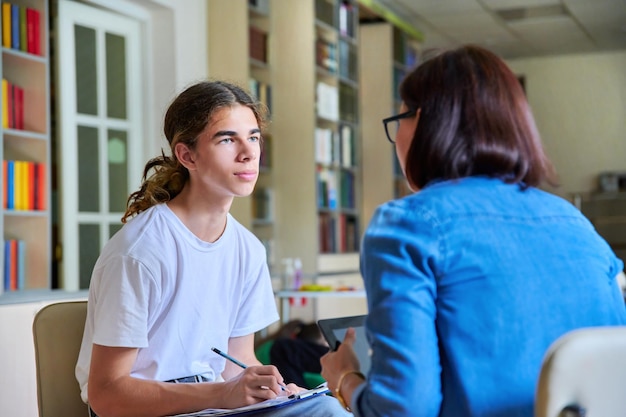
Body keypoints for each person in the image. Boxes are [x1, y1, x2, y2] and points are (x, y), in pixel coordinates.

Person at [320, 45, 626, 417]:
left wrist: (346, 378)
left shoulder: (405, 226)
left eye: (399, 118)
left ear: (424, 122)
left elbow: (403, 410)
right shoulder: (578, 225)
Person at [75, 80, 349, 417]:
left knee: (327, 408)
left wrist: (273, 392)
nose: (248, 152)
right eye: (227, 139)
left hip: (211, 407)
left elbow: (237, 362)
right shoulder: (141, 251)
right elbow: (107, 395)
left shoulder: (247, 249)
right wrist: (220, 393)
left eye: (253, 137)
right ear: (187, 155)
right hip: (145, 411)